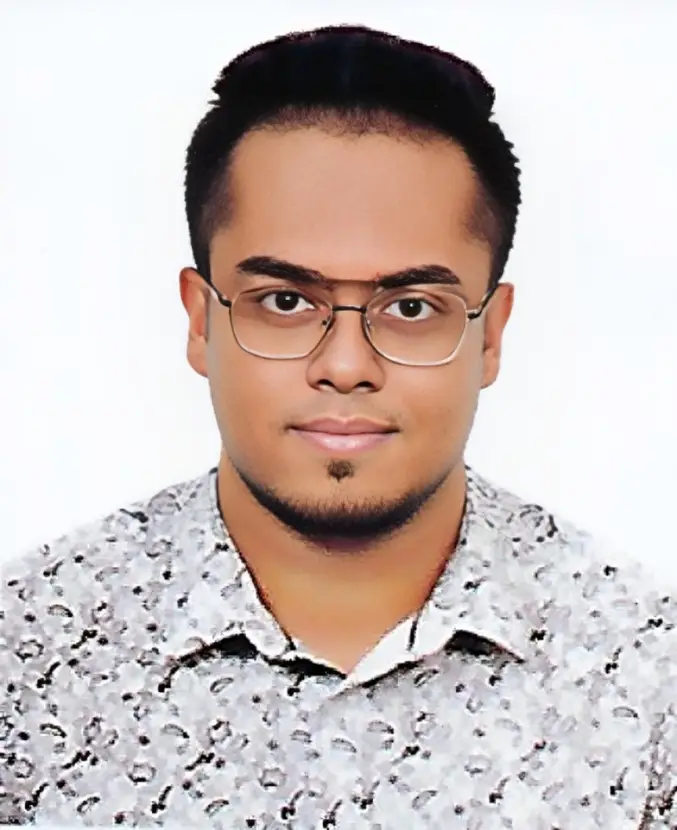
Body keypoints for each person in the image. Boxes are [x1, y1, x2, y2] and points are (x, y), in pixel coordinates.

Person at [1, 23, 675, 829]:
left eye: (411, 307)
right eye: (285, 301)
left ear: (490, 335)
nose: (346, 364)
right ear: (200, 321)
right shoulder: (28, 654)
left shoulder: (644, 671)